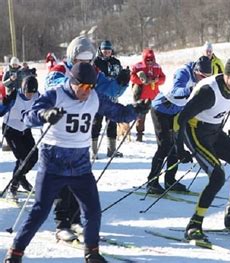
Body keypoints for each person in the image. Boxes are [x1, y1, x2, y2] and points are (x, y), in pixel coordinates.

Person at [3, 63, 149, 263]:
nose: (87, 91)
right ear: (73, 82)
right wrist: (45, 115)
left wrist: (136, 109)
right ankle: (15, 253)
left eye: (91, 86)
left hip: (80, 165)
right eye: (84, 87)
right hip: (53, 163)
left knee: (92, 210)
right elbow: (29, 118)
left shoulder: (95, 97)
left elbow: (119, 113)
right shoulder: (55, 95)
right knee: (40, 211)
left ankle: (92, 253)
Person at [46, 35, 129, 242]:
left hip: (79, 135)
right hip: (59, 134)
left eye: (87, 62)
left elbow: (108, 89)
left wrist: (120, 83)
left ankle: (75, 219)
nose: (83, 66)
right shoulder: (59, 70)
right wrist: (78, 82)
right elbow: (52, 85)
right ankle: (62, 224)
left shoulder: (94, 72)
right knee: (63, 182)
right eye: (79, 62)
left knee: (78, 181)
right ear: (71, 58)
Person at [176, 55, 230, 242]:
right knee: (217, 175)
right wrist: (179, 149)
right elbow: (181, 119)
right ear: (227, 75)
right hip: (195, 131)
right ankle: (194, 225)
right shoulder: (208, 92)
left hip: (214, 130)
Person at [147, 56, 212, 194]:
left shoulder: (200, 78)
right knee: (164, 146)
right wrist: (192, 90)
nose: (203, 80)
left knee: (176, 146)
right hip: (161, 109)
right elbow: (176, 91)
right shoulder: (183, 72)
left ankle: (170, 180)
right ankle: (152, 181)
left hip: (176, 111)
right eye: (202, 76)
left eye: (207, 77)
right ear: (196, 71)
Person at [0, 76, 40, 197]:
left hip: (25, 129)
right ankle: (14, 185)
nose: (30, 95)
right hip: (11, 130)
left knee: (34, 156)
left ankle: (20, 177)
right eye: (28, 92)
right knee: (23, 158)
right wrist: (4, 103)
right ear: (23, 89)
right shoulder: (14, 96)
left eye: (32, 93)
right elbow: (1, 111)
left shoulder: (37, 95)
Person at [92, 40, 130, 158]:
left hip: (112, 96)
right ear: (100, 50)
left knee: (112, 123)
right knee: (96, 123)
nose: (107, 53)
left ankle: (111, 149)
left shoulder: (115, 62)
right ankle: (94, 151)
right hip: (99, 97)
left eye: (109, 51)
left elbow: (118, 76)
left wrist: (124, 77)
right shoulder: (96, 62)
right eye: (105, 51)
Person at [130, 48, 166, 142]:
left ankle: (160, 134)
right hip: (142, 95)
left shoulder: (157, 67)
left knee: (157, 117)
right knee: (141, 117)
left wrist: (157, 80)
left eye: (151, 59)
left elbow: (163, 78)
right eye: (148, 59)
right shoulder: (138, 66)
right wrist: (143, 81)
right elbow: (132, 77)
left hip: (154, 95)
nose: (150, 61)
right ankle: (139, 134)